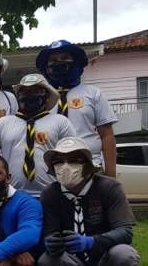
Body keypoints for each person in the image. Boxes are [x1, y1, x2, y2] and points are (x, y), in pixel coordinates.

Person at [38, 137, 139, 266]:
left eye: (74, 160)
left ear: (88, 165)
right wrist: (51, 241)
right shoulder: (50, 194)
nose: (65, 166)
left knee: (125, 254)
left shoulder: (109, 187)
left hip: (105, 261)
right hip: (72, 264)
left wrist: (91, 242)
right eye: (58, 161)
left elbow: (125, 232)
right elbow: (49, 232)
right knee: (47, 260)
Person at [0, 73, 77, 197]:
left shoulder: (61, 122)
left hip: (53, 195)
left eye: (35, 91)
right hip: (12, 195)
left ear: (46, 95)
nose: (29, 95)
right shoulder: (2, 123)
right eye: (24, 91)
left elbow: (74, 157)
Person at [37, 39, 118, 177]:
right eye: (53, 60)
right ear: (46, 67)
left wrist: (111, 175)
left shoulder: (93, 93)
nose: (59, 63)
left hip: (89, 168)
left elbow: (107, 135)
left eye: (64, 58)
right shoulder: (40, 98)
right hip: (52, 171)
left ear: (76, 62)